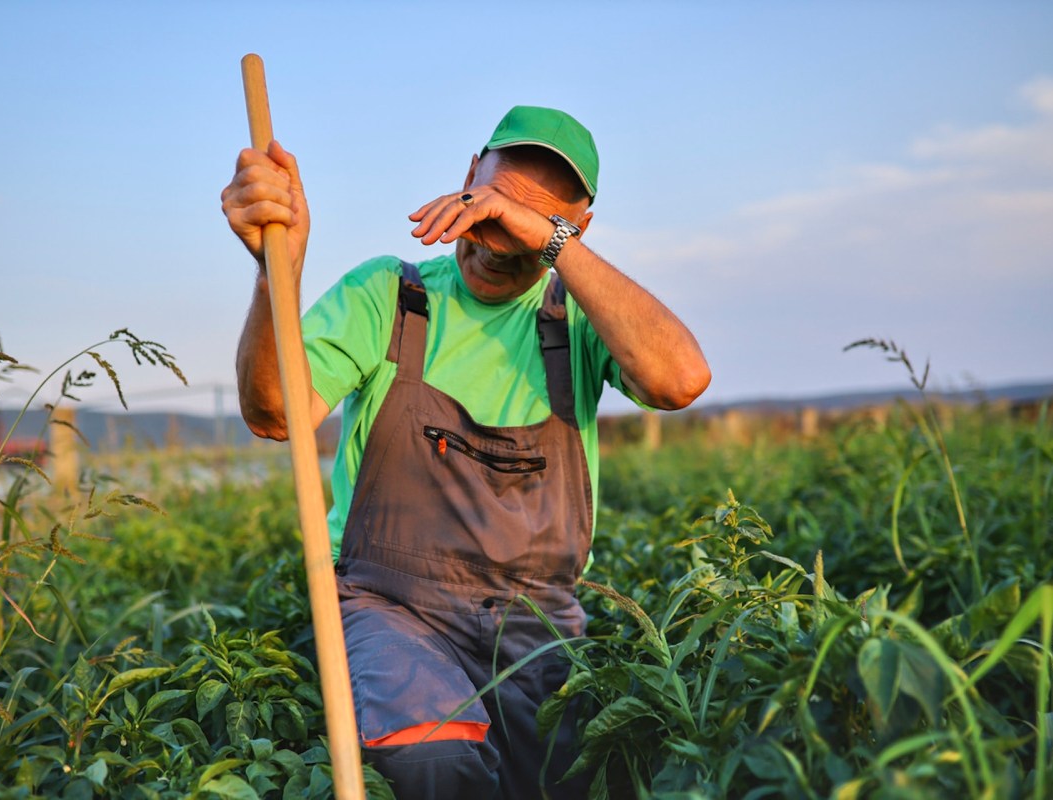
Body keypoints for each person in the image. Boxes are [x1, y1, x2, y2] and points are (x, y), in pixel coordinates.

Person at [221, 106, 710, 798]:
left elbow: (680, 379)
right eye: (487, 208)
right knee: (432, 758)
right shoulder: (391, 298)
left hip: (539, 618)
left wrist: (550, 242)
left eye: (519, 227)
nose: (490, 241)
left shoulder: (576, 318)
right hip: (394, 607)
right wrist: (278, 272)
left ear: (572, 227)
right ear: (466, 178)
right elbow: (275, 415)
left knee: (583, 777)